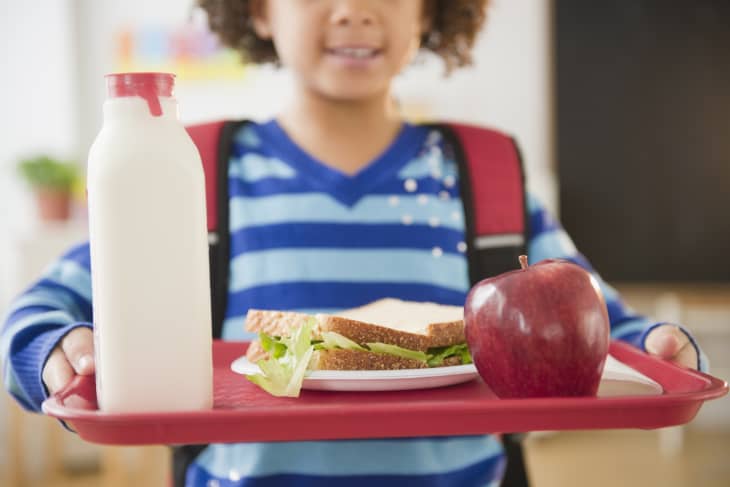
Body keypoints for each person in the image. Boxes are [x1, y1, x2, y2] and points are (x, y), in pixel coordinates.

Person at [1, 1, 709, 486]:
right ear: (255, 9)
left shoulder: (485, 177)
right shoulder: (193, 171)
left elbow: (601, 324)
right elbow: (44, 306)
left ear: (430, 10)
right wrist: (56, 347)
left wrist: (658, 348)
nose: (354, 6)